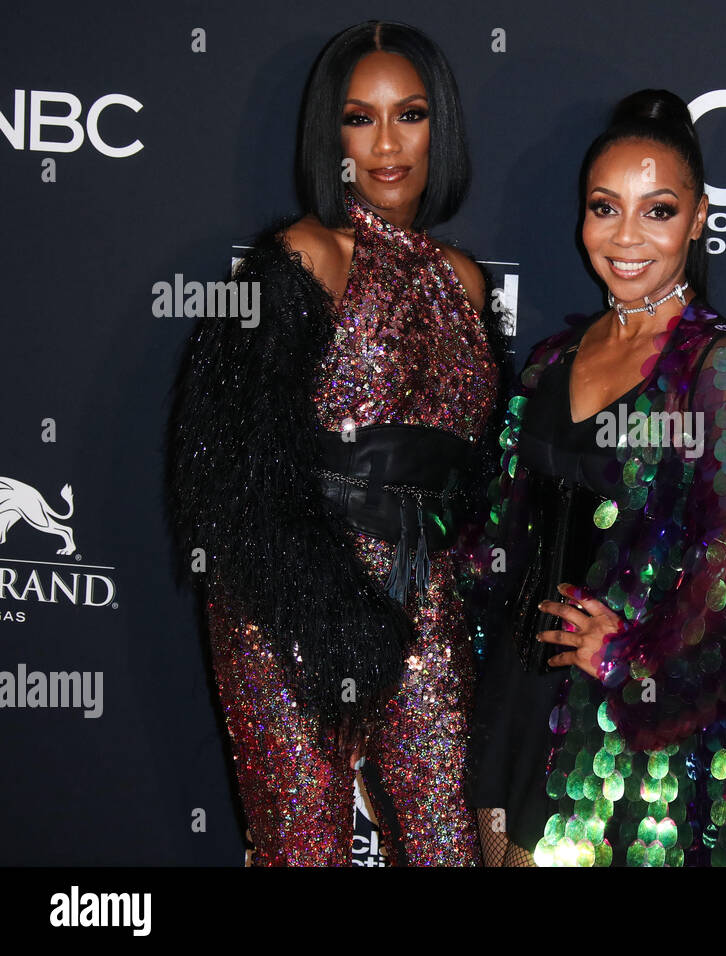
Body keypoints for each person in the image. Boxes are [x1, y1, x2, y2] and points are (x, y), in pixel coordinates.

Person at [165, 20, 506, 866]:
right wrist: (322, 610)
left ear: (442, 127)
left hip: (425, 593)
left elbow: (476, 471)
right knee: (303, 846)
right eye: (361, 118)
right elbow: (225, 471)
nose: (387, 143)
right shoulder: (301, 259)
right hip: (289, 601)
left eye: (411, 114)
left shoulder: (463, 280)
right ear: (331, 133)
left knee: (448, 846)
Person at [465, 90, 726, 867]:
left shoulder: (714, 361)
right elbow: (494, 534)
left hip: (626, 731)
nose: (627, 237)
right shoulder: (547, 360)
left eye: (658, 210)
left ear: (701, 218)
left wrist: (635, 657)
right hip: (514, 698)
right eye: (606, 209)